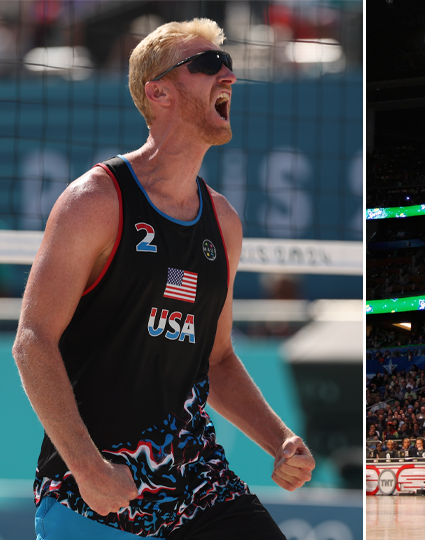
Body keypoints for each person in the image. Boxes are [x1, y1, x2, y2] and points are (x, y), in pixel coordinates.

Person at [12, 19, 315, 539]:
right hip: (97, 490)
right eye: (208, 64)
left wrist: (279, 439)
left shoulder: (224, 223)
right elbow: (33, 341)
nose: (229, 77)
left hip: (199, 486)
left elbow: (215, 357)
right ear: (159, 93)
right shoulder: (96, 201)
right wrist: (88, 470)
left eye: (230, 64)